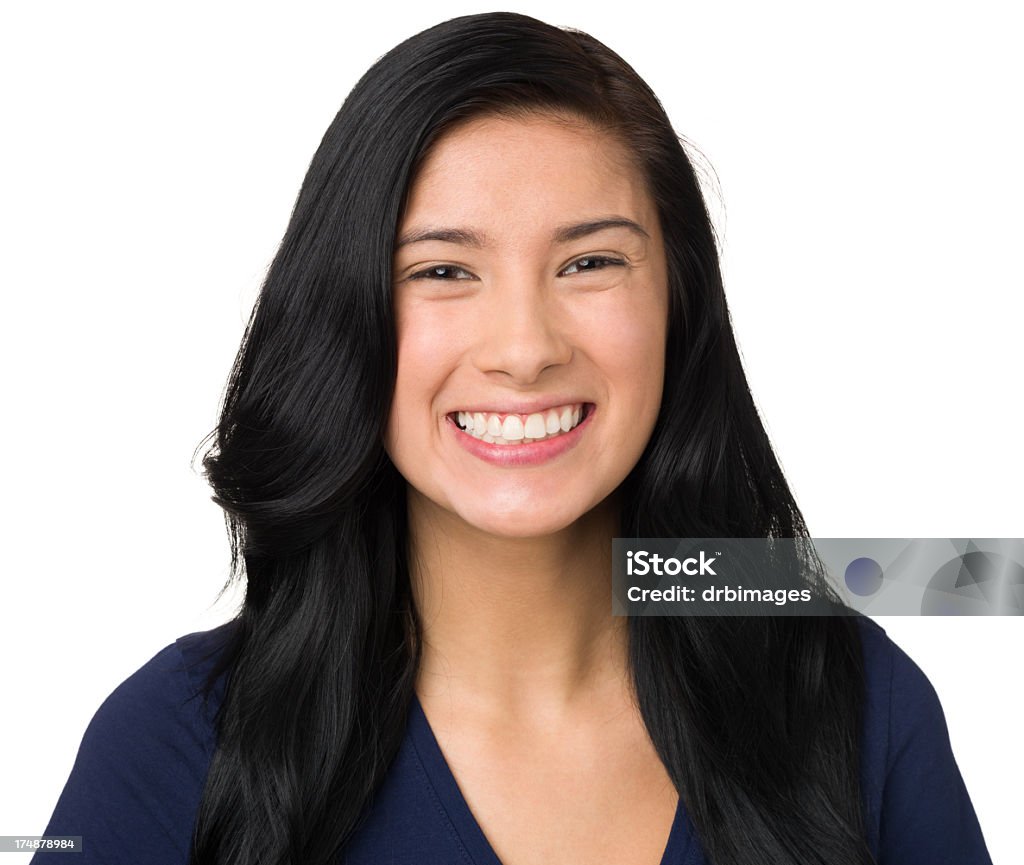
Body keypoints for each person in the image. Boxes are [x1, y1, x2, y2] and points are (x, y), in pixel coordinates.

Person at [32, 12, 992, 865]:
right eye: (444, 271)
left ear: (678, 302)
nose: (525, 349)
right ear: (346, 315)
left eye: (590, 261)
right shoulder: (177, 742)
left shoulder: (857, 707)